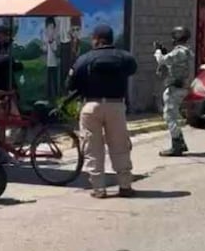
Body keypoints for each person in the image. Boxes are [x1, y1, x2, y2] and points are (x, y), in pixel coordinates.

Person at [65, 23, 138, 198]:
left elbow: (69, 84)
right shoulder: (125, 57)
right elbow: (132, 69)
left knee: (93, 148)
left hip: (91, 106)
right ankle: (125, 186)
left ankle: (99, 188)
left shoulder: (84, 59)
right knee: (120, 146)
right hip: (116, 106)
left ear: (96, 40)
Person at [154, 26, 195, 157]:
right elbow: (172, 63)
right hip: (180, 87)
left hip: (176, 88)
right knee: (173, 115)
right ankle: (180, 143)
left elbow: (162, 60)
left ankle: (177, 146)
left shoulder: (179, 52)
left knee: (169, 116)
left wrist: (158, 51)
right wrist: (165, 52)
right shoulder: (186, 51)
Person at [42, 17, 59, 100]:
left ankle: (55, 94)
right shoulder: (46, 40)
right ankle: (48, 94)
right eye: (48, 28)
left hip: (54, 63)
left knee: (54, 79)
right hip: (48, 63)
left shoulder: (55, 40)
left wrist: (51, 41)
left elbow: (55, 49)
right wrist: (46, 43)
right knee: (48, 79)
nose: (50, 31)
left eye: (52, 28)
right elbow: (44, 50)